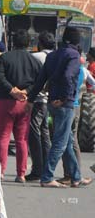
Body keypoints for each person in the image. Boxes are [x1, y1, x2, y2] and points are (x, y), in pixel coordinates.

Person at [26, 26, 90, 188]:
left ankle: (76, 177)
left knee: (66, 140)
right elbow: (69, 76)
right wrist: (65, 98)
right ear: (77, 41)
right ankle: (47, 177)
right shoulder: (74, 55)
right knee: (61, 142)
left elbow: (41, 80)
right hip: (65, 103)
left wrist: (30, 99)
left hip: (52, 102)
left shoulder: (53, 55)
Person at [0, 29, 41, 182]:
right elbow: (40, 82)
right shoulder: (35, 61)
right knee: (22, 140)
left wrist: (12, 90)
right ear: (29, 44)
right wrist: (25, 91)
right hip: (24, 103)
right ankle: (21, 174)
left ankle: (0, 172)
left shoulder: (4, 58)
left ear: (13, 43)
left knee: (3, 138)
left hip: (5, 102)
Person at [27, 31, 55, 181]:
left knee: (34, 132)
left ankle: (37, 169)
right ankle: (45, 167)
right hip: (51, 100)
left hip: (37, 99)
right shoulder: (57, 58)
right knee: (44, 132)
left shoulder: (35, 57)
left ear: (40, 44)